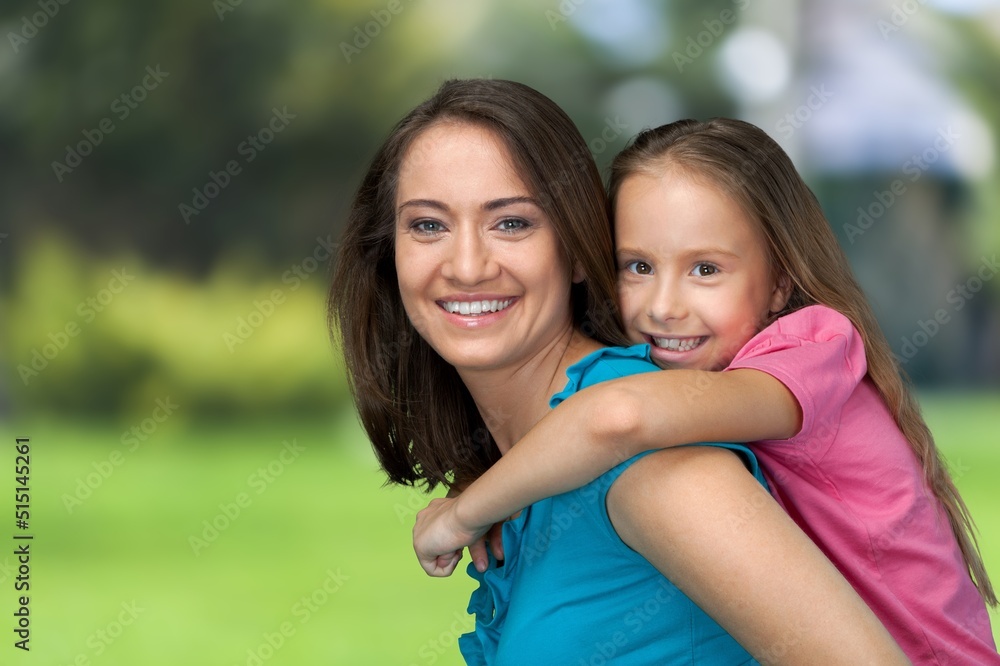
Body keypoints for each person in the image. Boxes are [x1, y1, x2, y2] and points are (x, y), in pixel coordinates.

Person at [331, 80, 906, 664]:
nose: (467, 266)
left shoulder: (653, 462)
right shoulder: (528, 471)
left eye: (511, 224)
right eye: (428, 225)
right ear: (389, 252)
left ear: (581, 250)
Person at [411, 117, 999, 664]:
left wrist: (467, 512)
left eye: (706, 270)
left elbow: (618, 416)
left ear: (779, 284)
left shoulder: (813, 349)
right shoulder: (708, 377)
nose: (664, 307)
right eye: (638, 267)